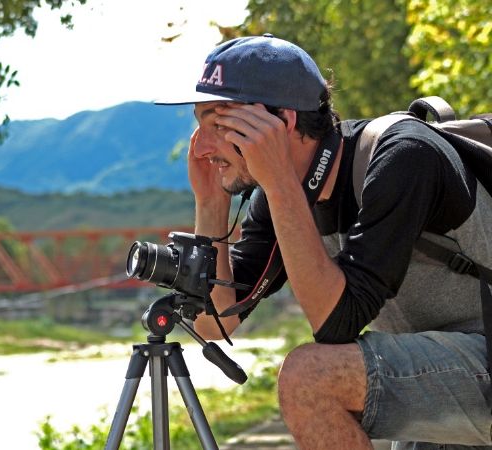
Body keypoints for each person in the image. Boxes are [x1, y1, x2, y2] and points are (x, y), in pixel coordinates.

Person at [157, 34, 492, 449]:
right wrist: (211, 204)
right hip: (452, 363)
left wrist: (279, 184)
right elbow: (215, 321)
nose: (202, 147)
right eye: (199, 125)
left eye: (219, 124)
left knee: (310, 379)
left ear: (281, 122)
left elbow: (336, 323)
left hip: (479, 357)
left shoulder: (402, 157)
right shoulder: (280, 196)